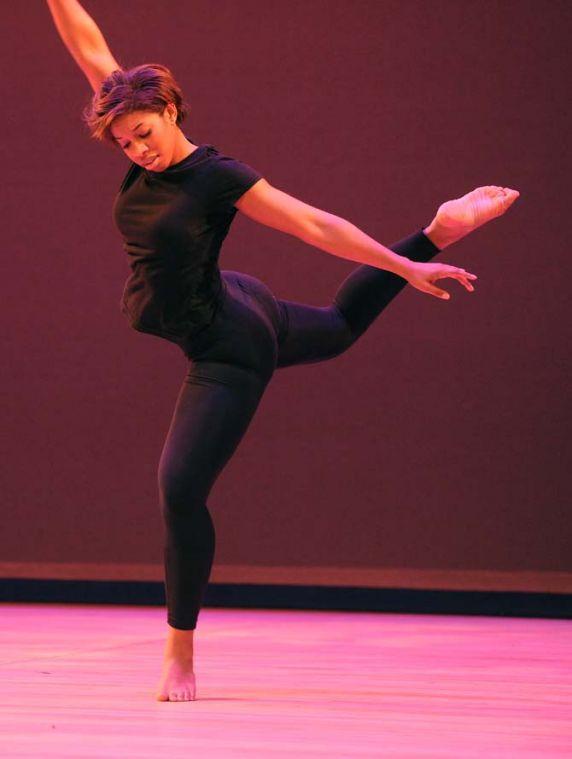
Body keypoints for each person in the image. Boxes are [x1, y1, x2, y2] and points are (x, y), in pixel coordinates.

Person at [46, 0, 520, 702]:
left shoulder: (218, 176)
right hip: (239, 301)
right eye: (124, 145)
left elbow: (311, 224)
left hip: (229, 343)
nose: (137, 150)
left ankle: (179, 652)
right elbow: (88, 45)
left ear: (171, 110)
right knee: (337, 327)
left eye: (144, 135)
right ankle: (439, 231)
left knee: (179, 488)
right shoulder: (128, 108)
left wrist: (403, 267)